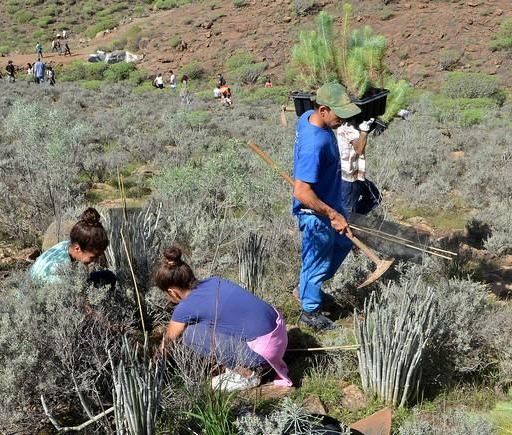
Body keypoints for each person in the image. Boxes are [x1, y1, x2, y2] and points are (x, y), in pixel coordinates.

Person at [154, 247, 292, 392]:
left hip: (263, 354)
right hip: (279, 335)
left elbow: (168, 340)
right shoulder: (214, 281)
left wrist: (154, 364)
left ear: (172, 292)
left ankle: (247, 375)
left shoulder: (185, 308)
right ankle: (252, 363)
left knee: (190, 335)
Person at [292, 83, 361, 330]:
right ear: (323, 110)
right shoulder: (314, 144)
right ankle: (310, 312)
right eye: (338, 114)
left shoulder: (306, 117)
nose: (343, 120)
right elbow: (301, 191)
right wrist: (331, 214)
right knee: (318, 261)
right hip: (317, 211)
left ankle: (306, 287)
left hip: (331, 202)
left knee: (343, 242)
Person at [30, 208, 115, 287]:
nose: (95, 261)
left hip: (37, 284)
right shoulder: (59, 270)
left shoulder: (67, 245)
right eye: (93, 257)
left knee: (108, 276)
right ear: (77, 249)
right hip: (40, 295)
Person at [336, 117, 375, 220]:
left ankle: (353, 220)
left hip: (356, 175)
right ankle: (349, 225)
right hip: (348, 178)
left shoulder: (355, 124)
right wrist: (364, 131)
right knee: (347, 211)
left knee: (375, 197)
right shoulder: (347, 126)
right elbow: (359, 149)